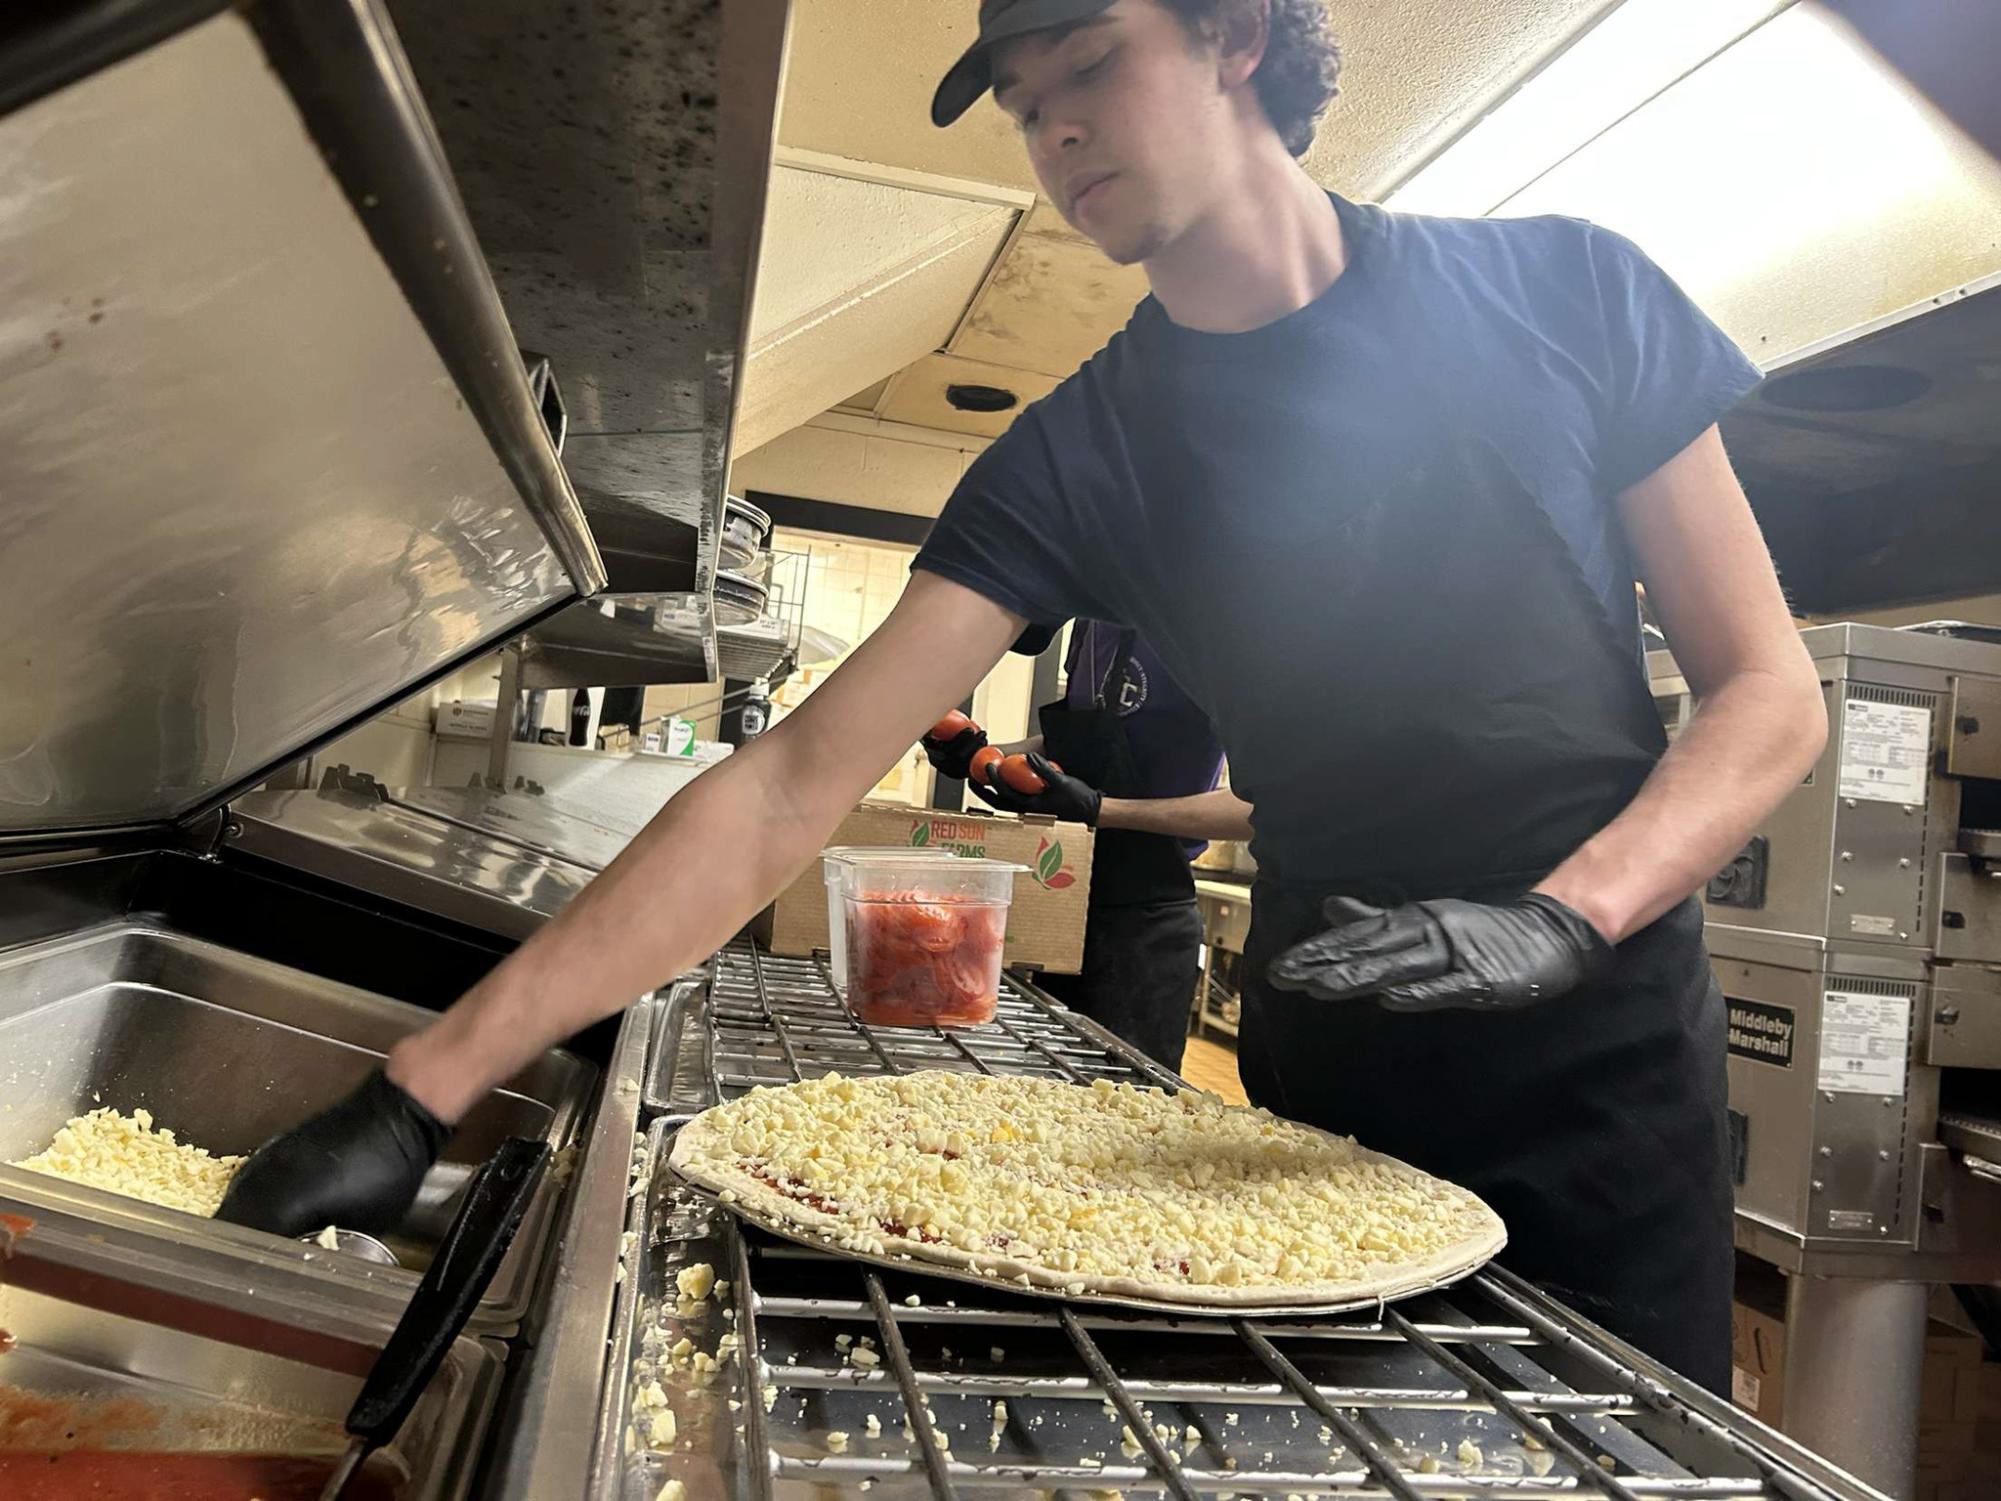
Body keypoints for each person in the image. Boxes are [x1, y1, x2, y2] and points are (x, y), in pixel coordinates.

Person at [219, 0, 1826, 1391]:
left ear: (1235, 37)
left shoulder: (1568, 295)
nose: (1055, 131)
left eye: (1089, 67)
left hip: (1603, 1051)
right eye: (1026, 107)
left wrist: (1563, 914)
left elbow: (1767, 695)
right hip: (1334, 1056)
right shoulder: (1084, 450)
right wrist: (419, 1086)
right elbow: (788, 788)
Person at [922, 620, 1237, 1070]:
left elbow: (1259, 808)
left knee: (1123, 1107)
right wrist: (980, 758)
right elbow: (1074, 745)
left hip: (1144, 923)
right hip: (1063, 903)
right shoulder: (1092, 625)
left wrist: (1101, 809)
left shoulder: (1208, 630)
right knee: (1040, 1091)